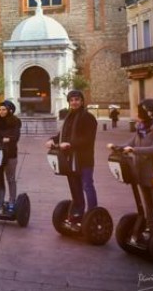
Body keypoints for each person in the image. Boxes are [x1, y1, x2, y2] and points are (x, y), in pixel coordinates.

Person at [107, 99, 153, 238]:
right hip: (141, 172)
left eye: (141, 111)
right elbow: (132, 142)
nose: (138, 113)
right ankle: (150, 229)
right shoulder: (141, 127)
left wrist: (134, 150)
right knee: (148, 204)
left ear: (150, 113)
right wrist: (118, 147)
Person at [45, 89, 98, 226]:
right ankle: (78, 212)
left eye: (77, 100)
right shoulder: (69, 117)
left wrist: (70, 144)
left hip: (84, 159)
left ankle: (93, 214)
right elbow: (63, 134)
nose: (74, 102)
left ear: (82, 102)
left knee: (87, 185)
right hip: (69, 159)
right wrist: (53, 140)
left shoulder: (87, 117)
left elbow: (88, 138)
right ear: (69, 102)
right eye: (72, 100)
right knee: (75, 187)